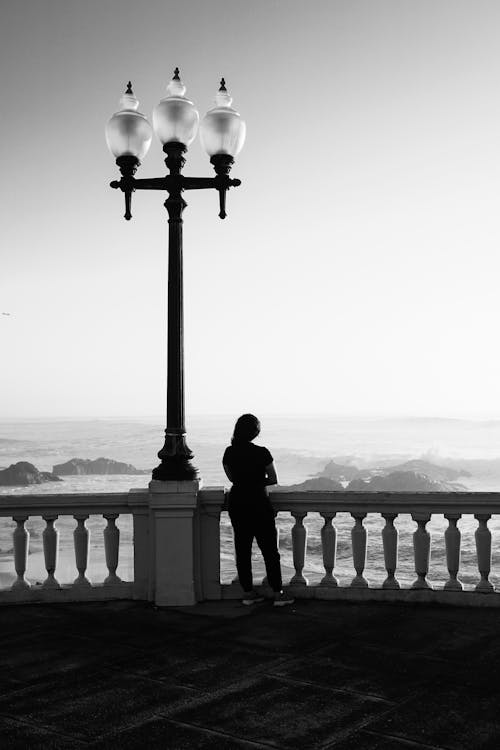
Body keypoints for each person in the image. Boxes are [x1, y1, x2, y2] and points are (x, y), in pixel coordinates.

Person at [223, 414, 294, 607]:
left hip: (238, 502)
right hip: (258, 502)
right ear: (255, 433)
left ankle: (248, 592)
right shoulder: (262, 452)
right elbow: (272, 478)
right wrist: (256, 480)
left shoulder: (229, 452)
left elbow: (231, 477)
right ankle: (278, 592)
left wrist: (244, 480)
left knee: (243, 550)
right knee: (270, 550)